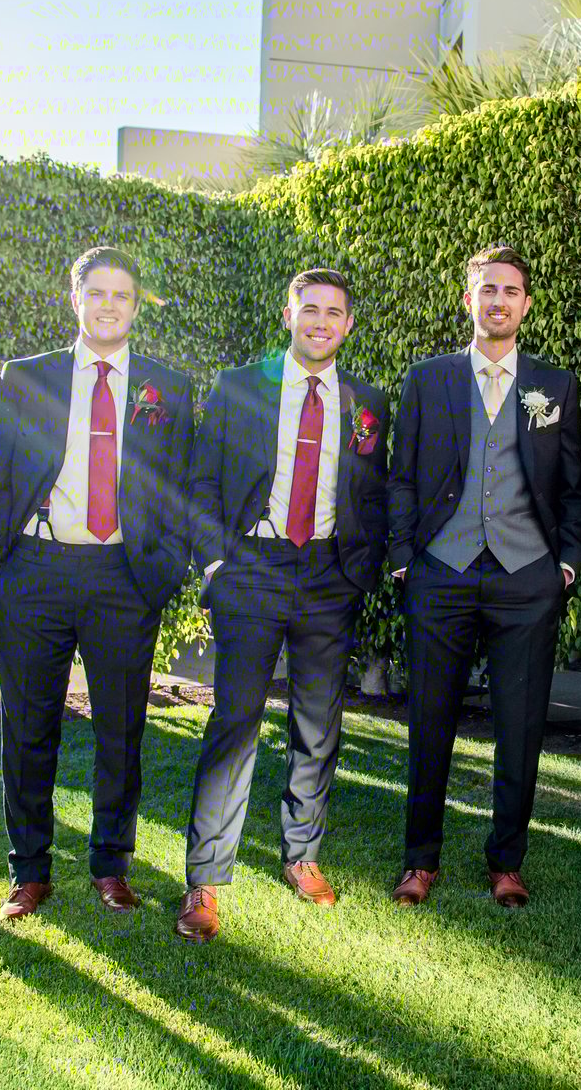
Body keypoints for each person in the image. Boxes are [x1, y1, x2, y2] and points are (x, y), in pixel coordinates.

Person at [0, 246, 196, 921]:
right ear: (75, 299)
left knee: (120, 732)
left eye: (121, 295)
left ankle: (110, 865)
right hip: (34, 572)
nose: (108, 305)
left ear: (136, 306)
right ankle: (29, 871)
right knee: (28, 728)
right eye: (96, 292)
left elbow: (182, 487)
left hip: (122, 577)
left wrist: (164, 569)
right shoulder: (27, 377)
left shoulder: (168, 388)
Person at [176, 269, 388, 943]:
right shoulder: (240, 386)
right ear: (289, 314)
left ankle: (302, 855)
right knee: (236, 721)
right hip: (253, 566)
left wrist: (358, 570)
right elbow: (201, 478)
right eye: (309, 309)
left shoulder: (366, 402)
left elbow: (374, 491)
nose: (320, 322)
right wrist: (217, 562)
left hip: (328, 575)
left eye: (333, 312)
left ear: (348, 324)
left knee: (318, 726)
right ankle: (206, 878)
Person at [386, 246, 581, 910]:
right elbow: (402, 476)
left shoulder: (555, 386)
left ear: (526, 304)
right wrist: (405, 559)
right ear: (468, 299)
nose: (499, 301)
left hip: (526, 577)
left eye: (511, 291)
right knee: (429, 720)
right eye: (488, 290)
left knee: (521, 726)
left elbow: (572, 484)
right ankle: (420, 859)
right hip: (441, 571)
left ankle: (507, 862)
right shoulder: (428, 379)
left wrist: (565, 562)